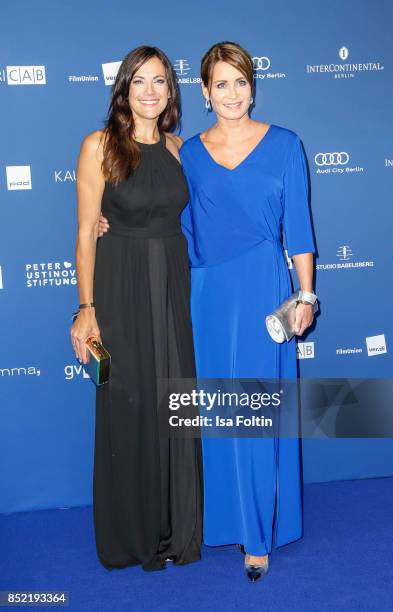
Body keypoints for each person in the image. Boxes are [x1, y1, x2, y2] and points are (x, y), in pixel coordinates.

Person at [98, 41, 317, 582]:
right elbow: (164, 215)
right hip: (204, 294)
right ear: (202, 91)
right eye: (221, 83)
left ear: (253, 86)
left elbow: (301, 231)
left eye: (241, 82)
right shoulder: (186, 153)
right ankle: (217, 519)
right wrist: (108, 225)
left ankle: (257, 538)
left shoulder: (286, 145)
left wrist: (305, 295)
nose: (233, 93)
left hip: (266, 288)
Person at [70, 46, 203, 572]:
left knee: (173, 401)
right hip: (119, 285)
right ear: (124, 88)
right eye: (140, 81)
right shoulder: (98, 145)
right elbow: (85, 231)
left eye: (161, 82)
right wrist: (86, 308)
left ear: (172, 93)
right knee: (125, 403)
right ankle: (132, 536)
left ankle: (176, 530)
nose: (151, 91)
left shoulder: (178, 149)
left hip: (172, 285)